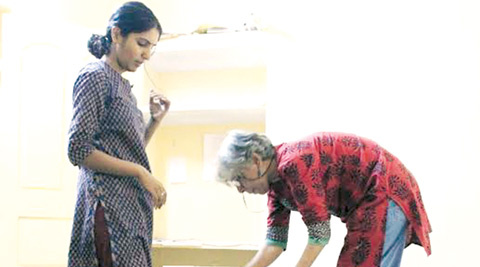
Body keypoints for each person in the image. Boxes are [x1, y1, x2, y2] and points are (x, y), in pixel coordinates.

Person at [216, 130, 432, 267]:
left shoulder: (293, 163)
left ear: (256, 161)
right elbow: (275, 242)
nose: (241, 189)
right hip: (366, 203)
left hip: (382, 188)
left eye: (239, 178)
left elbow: (320, 233)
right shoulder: (275, 186)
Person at [67, 2, 170, 267]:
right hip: (108, 207)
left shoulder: (123, 86)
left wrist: (154, 122)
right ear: (116, 35)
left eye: (152, 48)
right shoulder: (95, 76)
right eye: (142, 43)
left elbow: (126, 150)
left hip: (131, 208)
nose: (147, 55)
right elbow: (78, 149)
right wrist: (141, 173)